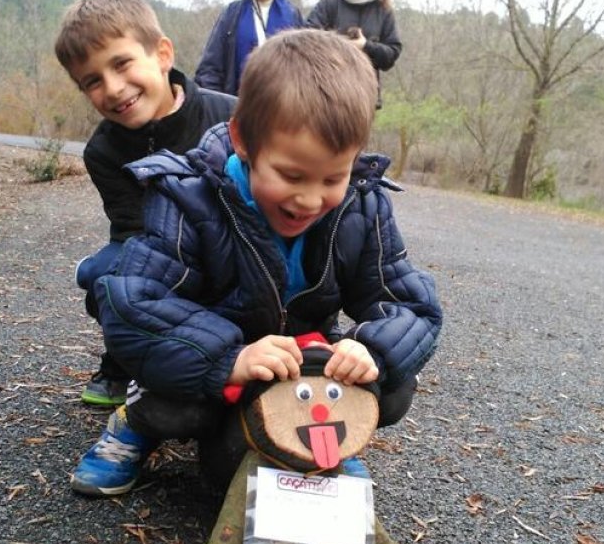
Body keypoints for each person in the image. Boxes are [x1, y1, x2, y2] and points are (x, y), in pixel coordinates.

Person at [70, 28, 442, 496]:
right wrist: (230, 358)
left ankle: (321, 447)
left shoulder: (361, 205)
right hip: (214, 363)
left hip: (297, 363)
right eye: (291, 175)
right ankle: (135, 424)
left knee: (393, 388)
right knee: (177, 409)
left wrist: (373, 351)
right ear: (243, 140)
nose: (310, 199)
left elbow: (411, 305)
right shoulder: (187, 198)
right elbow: (133, 304)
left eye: (333, 177)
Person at [54, 0, 236, 407]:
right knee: (107, 276)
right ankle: (128, 361)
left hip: (238, 251)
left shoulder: (233, 117)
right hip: (164, 255)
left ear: (163, 54)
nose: (114, 88)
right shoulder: (102, 152)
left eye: (121, 64)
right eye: (93, 81)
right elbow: (132, 233)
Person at [305, 0, 401, 109]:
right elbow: (307, 39)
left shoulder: (383, 10)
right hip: (326, 96)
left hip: (364, 100)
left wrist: (366, 46)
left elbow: (391, 54)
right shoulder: (330, 3)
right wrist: (340, 45)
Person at [194, 0, 304, 95]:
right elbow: (212, 61)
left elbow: (304, 62)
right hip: (240, 97)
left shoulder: (292, 14)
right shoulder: (233, 14)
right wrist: (214, 98)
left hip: (283, 97)